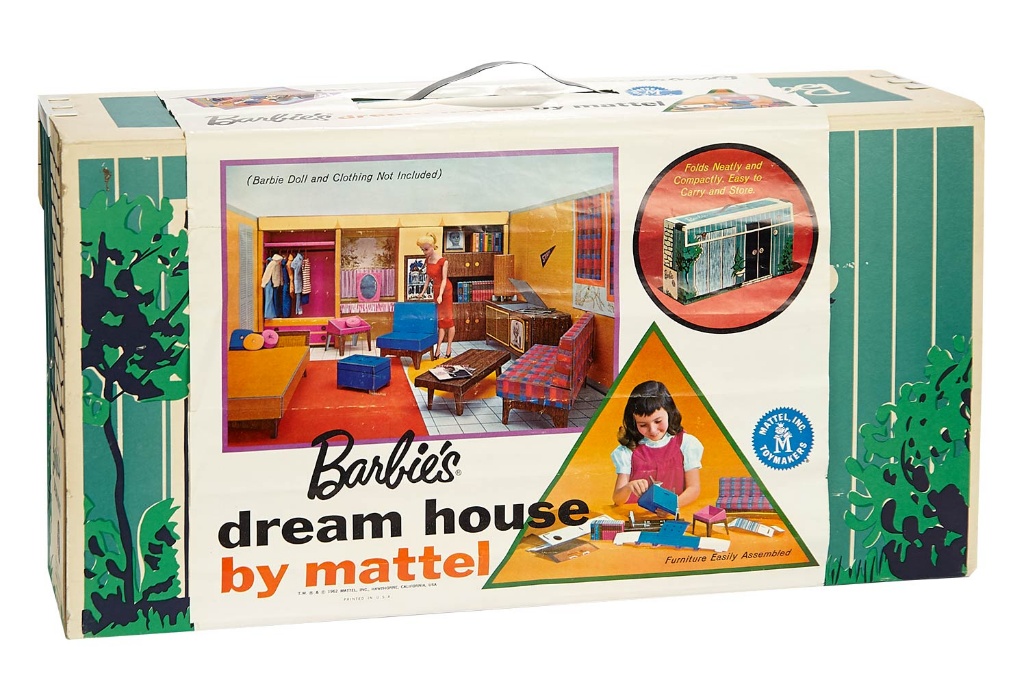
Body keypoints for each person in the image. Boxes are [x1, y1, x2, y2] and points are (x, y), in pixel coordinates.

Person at [611, 380, 702, 511]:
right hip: (636, 513)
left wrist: (671, 505)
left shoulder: (686, 444)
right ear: (634, 422)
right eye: (643, 425)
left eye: (658, 421)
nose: (652, 430)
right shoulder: (628, 450)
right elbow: (617, 499)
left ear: (669, 413)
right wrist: (628, 487)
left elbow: (694, 489)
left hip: (673, 512)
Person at [416, 234, 455, 358]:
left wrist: (441, 295)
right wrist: (422, 292)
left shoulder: (443, 261)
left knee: (448, 319)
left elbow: (444, 279)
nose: (424, 252)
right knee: (440, 320)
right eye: (422, 249)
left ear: (433, 246)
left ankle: (449, 347)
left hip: (445, 290)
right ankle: (438, 348)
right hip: (436, 290)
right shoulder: (427, 260)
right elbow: (428, 278)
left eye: (426, 249)